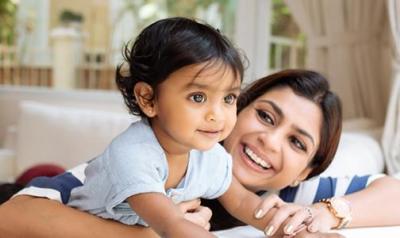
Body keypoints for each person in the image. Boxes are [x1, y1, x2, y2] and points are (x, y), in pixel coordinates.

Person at [7, 17, 311, 238]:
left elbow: (246, 202)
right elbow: (170, 225)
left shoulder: (210, 157)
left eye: (229, 98)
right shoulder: (133, 154)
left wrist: (295, 231)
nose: (217, 115)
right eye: (198, 97)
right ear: (148, 99)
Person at [1, 70, 400, 238]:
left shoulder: (289, 200)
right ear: (233, 111)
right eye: (264, 116)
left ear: (304, 173)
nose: (269, 141)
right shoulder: (162, 159)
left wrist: (326, 214)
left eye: (297, 143)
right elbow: (13, 216)